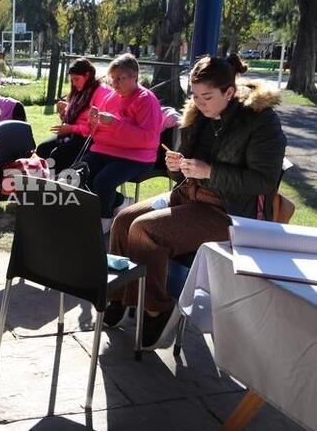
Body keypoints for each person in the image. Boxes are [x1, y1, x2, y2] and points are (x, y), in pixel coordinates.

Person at [105, 54, 286, 350]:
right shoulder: (198, 115)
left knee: (144, 230)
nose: (199, 103)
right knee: (124, 220)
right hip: (191, 195)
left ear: (230, 92)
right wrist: (178, 165)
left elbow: (264, 182)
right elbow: (190, 166)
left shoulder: (261, 121)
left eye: (207, 96)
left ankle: (157, 308)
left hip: (228, 210)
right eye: (195, 95)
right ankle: (123, 296)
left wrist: (209, 171)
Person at [82, 53, 162, 233]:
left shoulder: (146, 99)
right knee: (78, 174)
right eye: (113, 79)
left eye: (120, 78)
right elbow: (97, 132)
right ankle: (119, 202)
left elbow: (149, 138)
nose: (115, 83)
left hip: (137, 157)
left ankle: (104, 221)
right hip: (105, 150)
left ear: (134, 77)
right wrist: (93, 121)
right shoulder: (111, 97)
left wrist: (116, 124)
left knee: (103, 181)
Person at [36, 58, 112, 171]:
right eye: (72, 80)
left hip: (90, 139)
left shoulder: (101, 92)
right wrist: (64, 112)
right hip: (75, 134)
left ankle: (58, 185)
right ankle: (49, 181)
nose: (74, 83)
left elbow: (96, 126)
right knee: (42, 149)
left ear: (87, 75)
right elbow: (75, 117)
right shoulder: (81, 90)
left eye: (76, 79)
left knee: (56, 157)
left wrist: (71, 128)